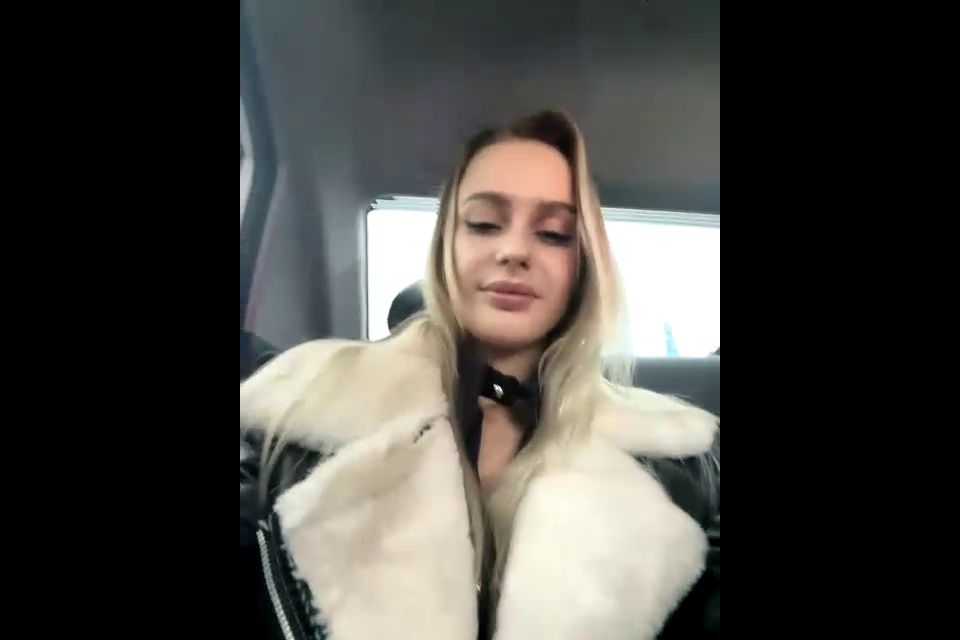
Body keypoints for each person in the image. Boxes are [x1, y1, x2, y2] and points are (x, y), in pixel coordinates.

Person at [240, 110, 719, 640]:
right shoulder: (295, 409)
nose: (513, 251)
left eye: (554, 233)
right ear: (446, 241)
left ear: (583, 264)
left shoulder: (684, 468)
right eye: (484, 224)